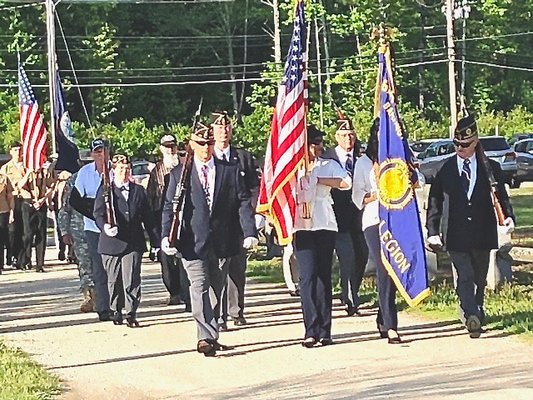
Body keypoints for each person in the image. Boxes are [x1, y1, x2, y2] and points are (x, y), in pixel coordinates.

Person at [161, 121, 257, 357]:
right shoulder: (179, 174)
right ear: (191, 145)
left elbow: (243, 202)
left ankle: (211, 333)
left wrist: (250, 231)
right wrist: (165, 235)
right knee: (199, 286)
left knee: (216, 288)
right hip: (192, 242)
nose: (206, 148)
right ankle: (204, 336)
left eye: (210, 143)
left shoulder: (229, 170)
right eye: (201, 143)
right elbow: (169, 207)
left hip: (224, 241)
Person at [426, 114, 514, 338]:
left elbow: (501, 196)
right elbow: (435, 202)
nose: (460, 148)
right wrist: (433, 231)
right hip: (455, 233)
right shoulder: (444, 170)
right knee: (464, 275)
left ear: (475, 142)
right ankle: (470, 314)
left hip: (482, 232)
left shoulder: (490, 168)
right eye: (456, 144)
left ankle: (475, 309)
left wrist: (508, 218)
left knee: (479, 277)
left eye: (465, 144)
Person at [293, 126, 352, 348]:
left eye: (319, 143)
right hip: (301, 225)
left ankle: (325, 329)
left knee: (323, 276)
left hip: (324, 223)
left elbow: (347, 183)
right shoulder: (294, 168)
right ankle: (311, 328)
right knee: (307, 276)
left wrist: (321, 180)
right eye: (313, 143)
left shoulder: (328, 165)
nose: (317, 147)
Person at [94, 154, 159, 327]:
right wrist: (105, 227)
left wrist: (155, 242)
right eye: (120, 168)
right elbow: (98, 213)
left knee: (132, 279)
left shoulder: (138, 191)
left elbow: (148, 218)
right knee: (114, 280)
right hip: (112, 243)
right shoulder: (106, 190)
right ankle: (116, 310)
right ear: (113, 170)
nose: (124, 171)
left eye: (127, 168)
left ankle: (131, 313)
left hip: (133, 242)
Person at [352, 118, 402, 344]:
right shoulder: (363, 163)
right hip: (373, 220)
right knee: (384, 268)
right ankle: (392, 325)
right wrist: (379, 194)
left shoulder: (400, 157)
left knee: (393, 271)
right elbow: (357, 198)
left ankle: (383, 317)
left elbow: (417, 181)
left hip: (397, 218)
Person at [211, 111, 260, 327]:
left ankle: (236, 310)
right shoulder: (208, 157)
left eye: (227, 127)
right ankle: (218, 315)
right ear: (213, 131)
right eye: (219, 127)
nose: (224, 131)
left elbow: (254, 188)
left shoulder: (242, 157)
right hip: (215, 224)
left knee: (237, 270)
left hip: (239, 221)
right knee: (217, 270)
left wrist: (256, 214)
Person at [322, 112, 369, 316]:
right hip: (335, 218)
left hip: (358, 217)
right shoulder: (327, 159)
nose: (348, 139)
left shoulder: (361, 158)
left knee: (362, 256)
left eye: (351, 135)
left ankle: (350, 292)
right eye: (344, 135)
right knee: (347, 258)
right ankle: (351, 300)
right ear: (336, 138)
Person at [146, 134, 190, 309]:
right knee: (166, 260)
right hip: (162, 218)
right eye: (166, 146)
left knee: (184, 260)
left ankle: (187, 296)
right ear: (161, 148)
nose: (170, 149)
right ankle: (174, 292)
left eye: (172, 146)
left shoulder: (184, 167)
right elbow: (150, 199)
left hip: (183, 219)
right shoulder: (156, 171)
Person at [70, 138, 112, 321]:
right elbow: (75, 200)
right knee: (99, 269)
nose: (100, 154)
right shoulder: (85, 173)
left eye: (103, 151)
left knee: (115, 269)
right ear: (92, 154)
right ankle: (103, 308)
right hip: (93, 228)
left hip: (115, 228)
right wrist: (94, 212)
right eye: (96, 151)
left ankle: (119, 305)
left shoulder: (116, 169)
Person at [58, 170, 95, 312]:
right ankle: (90, 296)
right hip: (79, 229)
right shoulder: (74, 180)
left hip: (101, 227)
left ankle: (108, 295)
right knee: (85, 263)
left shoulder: (106, 176)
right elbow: (66, 208)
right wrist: (65, 231)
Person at [17, 163, 56, 272]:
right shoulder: (23, 169)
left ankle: (40, 264)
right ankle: (26, 260)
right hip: (28, 204)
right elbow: (19, 185)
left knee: (41, 234)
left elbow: (51, 186)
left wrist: (43, 200)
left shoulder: (44, 172)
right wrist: (29, 172)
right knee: (28, 234)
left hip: (41, 203)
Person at [0, 143, 26, 268]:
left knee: (25, 231)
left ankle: (23, 258)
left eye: (20, 150)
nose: (18, 152)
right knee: (12, 231)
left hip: (25, 200)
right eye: (15, 150)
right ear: (10, 152)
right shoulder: (5, 169)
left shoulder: (27, 167)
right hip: (11, 201)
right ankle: (12, 256)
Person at [0, 171, 14, 274]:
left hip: (3, 211)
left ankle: (2, 263)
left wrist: (12, 211)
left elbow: (10, 196)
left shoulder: (4, 178)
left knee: (3, 238)